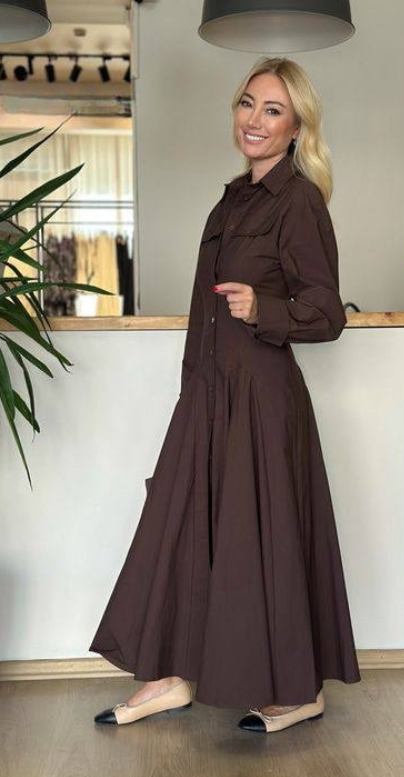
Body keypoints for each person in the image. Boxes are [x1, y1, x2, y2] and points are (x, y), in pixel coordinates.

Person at [90, 56, 361, 734]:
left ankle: (299, 692)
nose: (254, 120)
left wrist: (264, 309)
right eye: (247, 103)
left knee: (262, 543)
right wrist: (191, 395)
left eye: (273, 110)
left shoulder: (298, 202)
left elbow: (327, 313)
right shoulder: (232, 200)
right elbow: (201, 313)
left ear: (296, 127)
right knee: (184, 527)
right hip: (210, 396)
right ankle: (170, 676)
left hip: (262, 403)